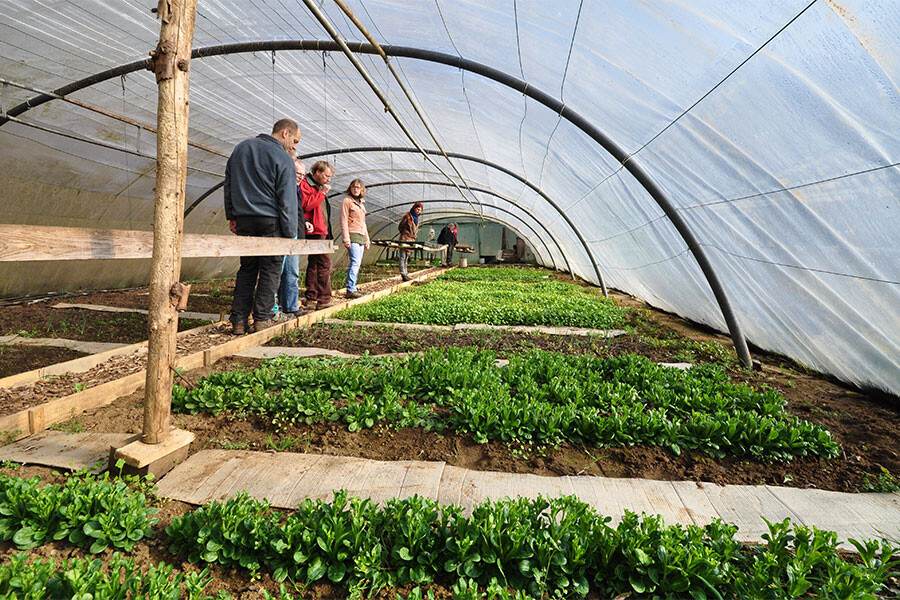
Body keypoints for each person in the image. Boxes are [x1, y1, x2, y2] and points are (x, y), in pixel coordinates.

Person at [224, 118, 300, 335]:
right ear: (285, 133)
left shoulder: (241, 148)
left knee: (247, 269)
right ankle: (261, 320)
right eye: (295, 140)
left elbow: (228, 183)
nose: (295, 146)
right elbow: (286, 199)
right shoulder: (283, 158)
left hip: (245, 219)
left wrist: (232, 215)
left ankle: (238, 321)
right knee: (270, 271)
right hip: (271, 221)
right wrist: (290, 232)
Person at [275, 158, 314, 316]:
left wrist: (303, 222)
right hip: (285, 234)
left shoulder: (296, 190)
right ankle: (281, 308)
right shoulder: (284, 188)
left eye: (303, 175)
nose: (301, 177)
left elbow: (294, 211)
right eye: (298, 173)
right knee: (281, 272)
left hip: (294, 232)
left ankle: (289, 306)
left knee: (290, 272)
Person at [301, 161, 335, 310]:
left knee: (314, 263)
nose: (328, 179)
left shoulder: (316, 186)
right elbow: (307, 205)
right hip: (314, 230)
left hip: (321, 230)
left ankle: (312, 297)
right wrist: (322, 193)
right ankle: (324, 299)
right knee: (324, 263)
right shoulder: (306, 184)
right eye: (326, 176)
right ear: (318, 172)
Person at [340, 179, 370, 299]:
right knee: (355, 261)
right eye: (353, 187)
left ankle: (354, 287)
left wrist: (367, 239)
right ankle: (350, 289)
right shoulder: (347, 201)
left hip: (361, 235)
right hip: (352, 234)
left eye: (358, 187)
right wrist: (346, 238)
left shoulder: (361, 205)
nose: (355, 189)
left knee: (358, 263)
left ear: (362, 190)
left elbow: (364, 223)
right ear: (350, 188)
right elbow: (343, 220)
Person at [397, 202, 423, 281]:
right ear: (414, 209)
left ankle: (406, 274)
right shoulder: (407, 216)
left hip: (411, 240)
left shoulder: (416, 219)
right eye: (418, 209)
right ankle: (403, 274)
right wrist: (405, 233)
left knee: (406, 258)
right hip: (405, 238)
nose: (419, 212)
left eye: (420, 210)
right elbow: (400, 226)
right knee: (402, 257)